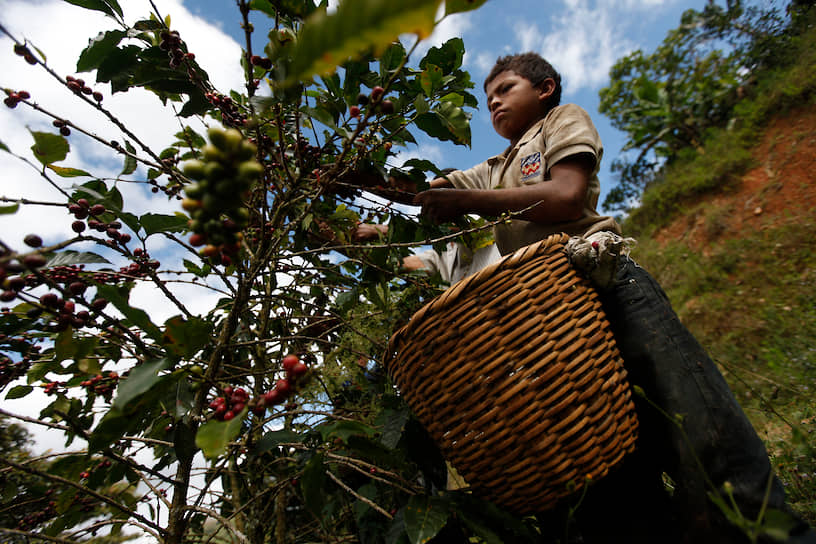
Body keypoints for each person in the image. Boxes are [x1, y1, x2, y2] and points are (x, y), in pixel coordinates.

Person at [412, 52, 816, 544]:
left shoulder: (560, 120)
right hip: (552, 318)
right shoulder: (494, 168)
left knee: (699, 428)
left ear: (544, 88)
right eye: (488, 97)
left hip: (606, 285)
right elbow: (424, 193)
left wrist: (465, 202)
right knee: (609, 471)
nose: (493, 100)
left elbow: (566, 196)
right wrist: (348, 178)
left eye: (506, 88)